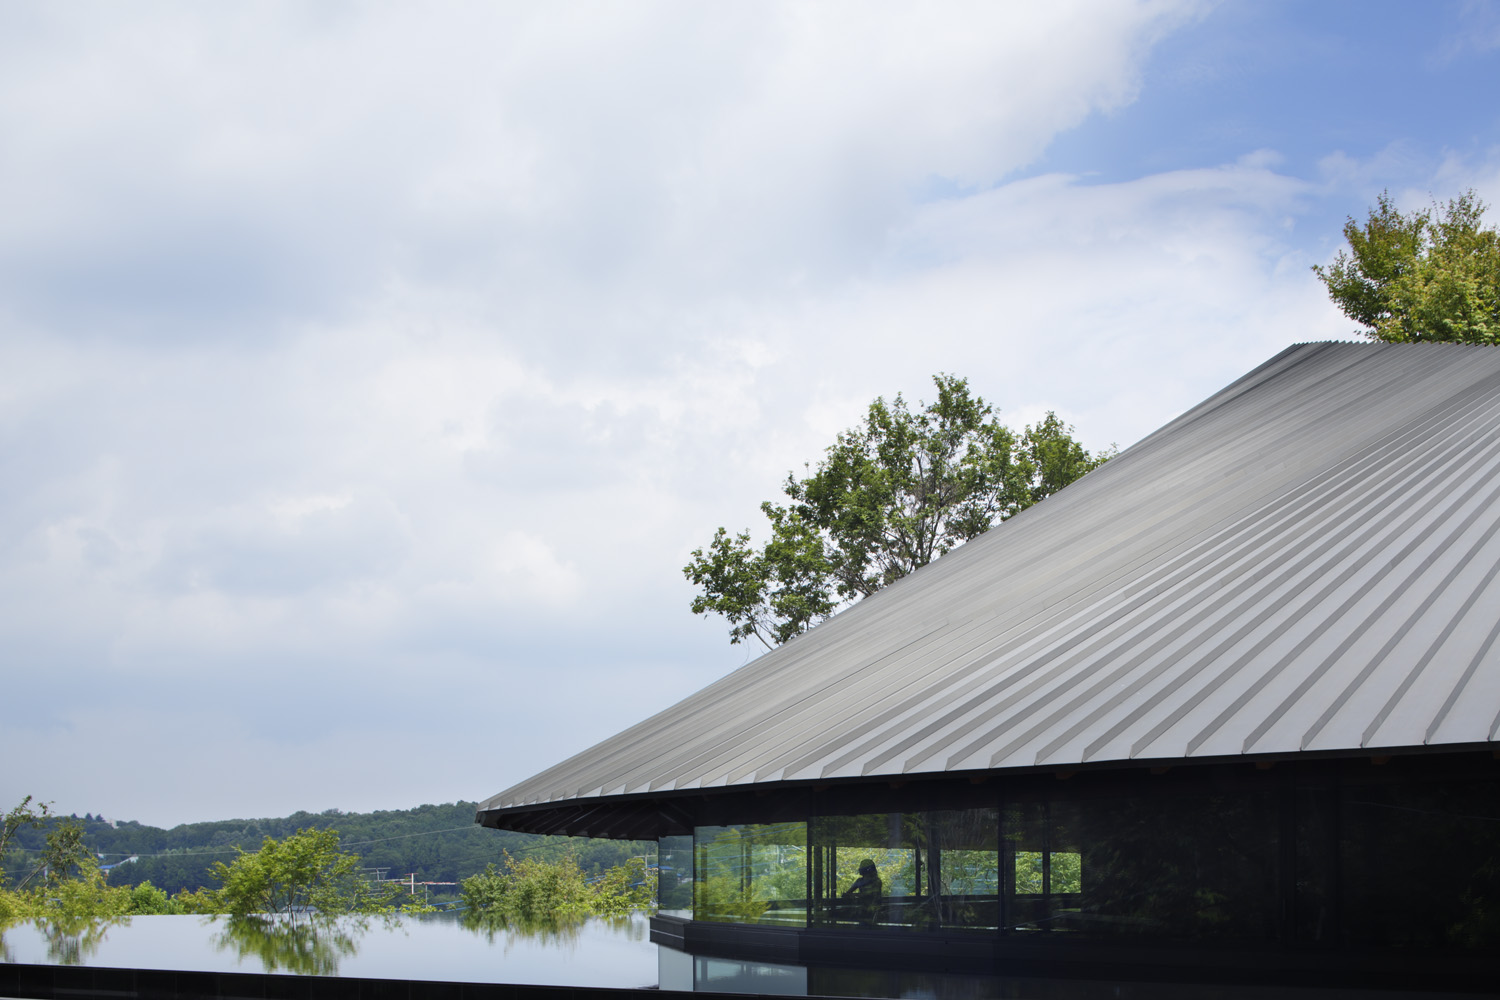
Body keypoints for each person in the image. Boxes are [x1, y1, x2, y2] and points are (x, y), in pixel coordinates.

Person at [841, 859, 882, 925]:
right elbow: (849, 892)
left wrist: (853, 895)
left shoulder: (876, 881)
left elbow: (868, 894)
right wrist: (846, 894)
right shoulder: (860, 881)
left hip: (874, 911)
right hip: (862, 910)